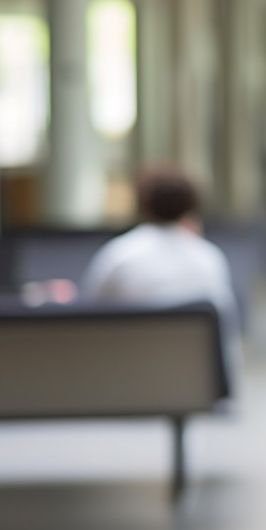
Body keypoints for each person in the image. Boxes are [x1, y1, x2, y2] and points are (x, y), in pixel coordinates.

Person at [82, 165, 241, 385]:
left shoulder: (119, 254)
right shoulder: (209, 256)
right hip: (195, 382)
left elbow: (91, 309)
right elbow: (226, 321)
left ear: (142, 203)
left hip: (126, 378)